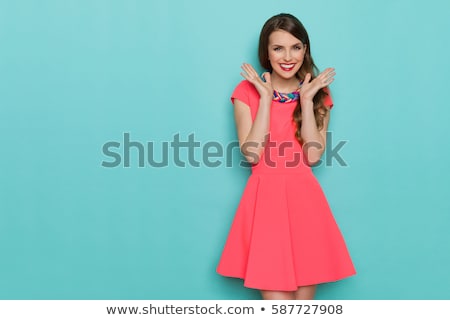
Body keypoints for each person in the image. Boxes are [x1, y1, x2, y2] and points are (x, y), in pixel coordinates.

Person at [216, 13, 356, 300]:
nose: (287, 56)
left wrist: (306, 100)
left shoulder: (318, 92)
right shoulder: (246, 92)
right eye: (278, 48)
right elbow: (252, 154)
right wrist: (265, 99)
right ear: (266, 53)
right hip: (265, 203)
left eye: (295, 47)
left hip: (306, 205)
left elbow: (313, 156)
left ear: (305, 49)